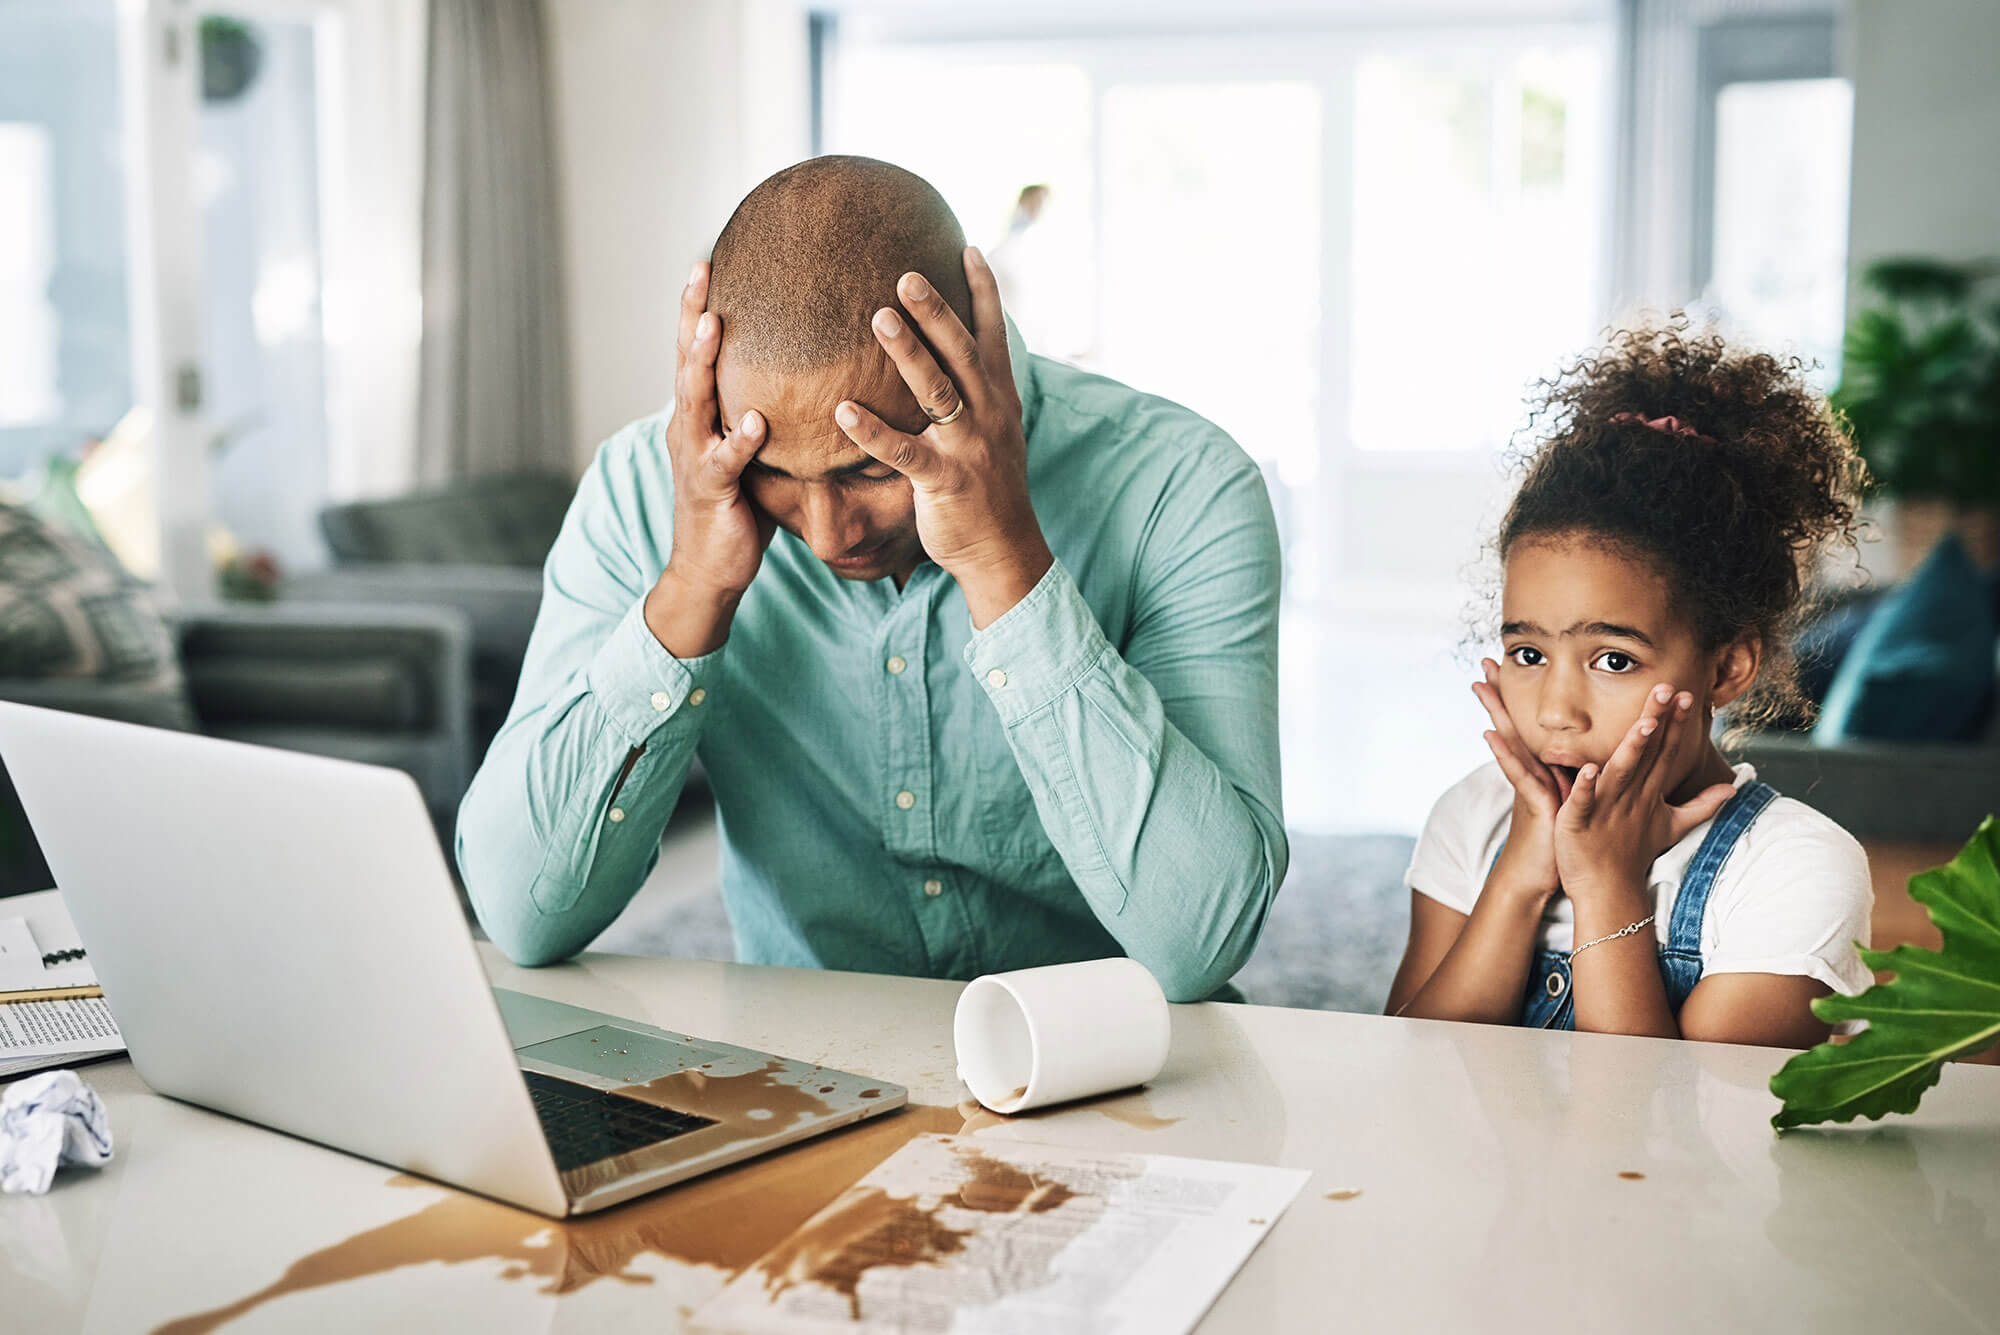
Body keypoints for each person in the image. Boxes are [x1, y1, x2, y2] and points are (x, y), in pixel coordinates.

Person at [455, 157, 1285, 1002]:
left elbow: (1202, 942)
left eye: (872, 470)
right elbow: (520, 913)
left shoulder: (1182, 484)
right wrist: (692, 587)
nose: (825, 534)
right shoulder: (643, 488)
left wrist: (1005, 564)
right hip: (811, 1079)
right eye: (774, 472)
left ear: (971, 358)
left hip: (1122, 1067)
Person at [1387, 323, 1873, 1044]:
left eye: (1612, 659)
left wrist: (1605, 885)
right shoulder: (1474, 820)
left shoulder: (1791, 868)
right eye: (1527, 653)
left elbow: (1667, 1135)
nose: (1555, 712)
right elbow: (1410, 1067)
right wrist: (1520, 874)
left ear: (1726, 667)